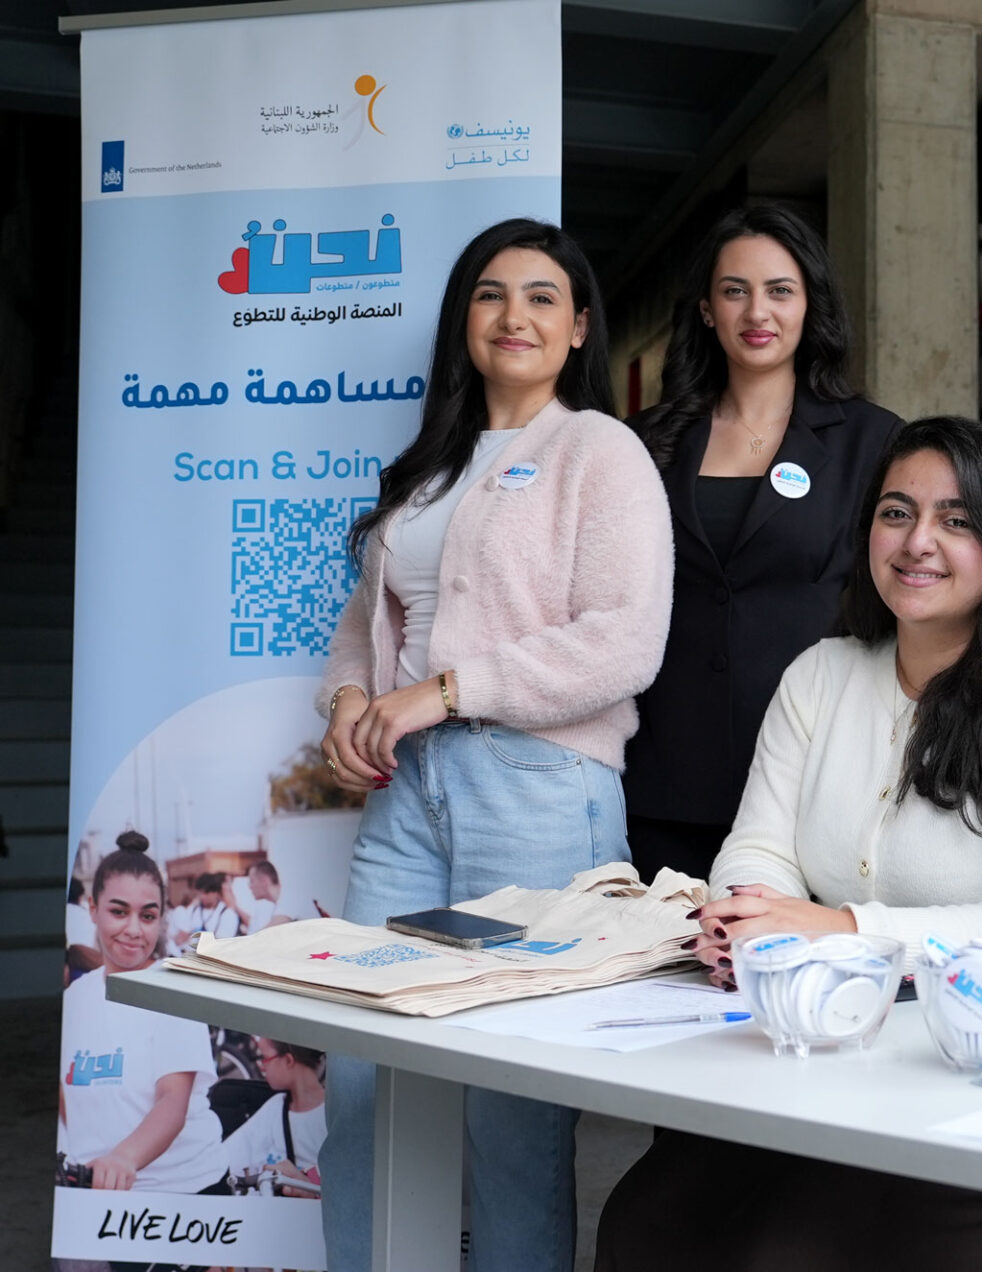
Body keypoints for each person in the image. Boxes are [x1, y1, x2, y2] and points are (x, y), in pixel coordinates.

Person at [595, 416, 982, 1272]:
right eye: (897, 512)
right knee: (647, 1219)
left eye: (958, 520)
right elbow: (758, 850)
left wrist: (843, 932)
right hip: (813, 1051)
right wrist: (747, 917)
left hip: (979, 1078)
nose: (920, 542)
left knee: (785, 1253)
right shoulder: (823, 672)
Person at [315, 217, 672, 1272]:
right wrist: (347, 703)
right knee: (364, 1089)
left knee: (511, 1117)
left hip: (539, 793)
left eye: (542, 297)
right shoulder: (424, 469)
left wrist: (447, 689)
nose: (513, 315)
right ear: (462, 323)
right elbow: (358, 627)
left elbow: (623, 642)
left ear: (576, 331)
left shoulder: (598, 450)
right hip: (406, 795)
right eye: (489, 294)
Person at [624, 204, 901, 881]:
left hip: (814, 780)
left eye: (780, 290)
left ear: (810, 305)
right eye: (734, 290)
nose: (758, 312)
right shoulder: (645, 441)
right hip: (665, 780)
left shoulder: (873, 440)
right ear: (705, 310)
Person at [59, 839, 228, 1196]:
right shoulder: (73, 1000)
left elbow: (172, 1100)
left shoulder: (174, 992)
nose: (134, 930)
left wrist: (123, 1158)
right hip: (97, 1196)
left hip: (185, 1196)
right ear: (93, 909)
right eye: (118, 912)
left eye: (147, 915)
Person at [223, 1038, 324, 1199]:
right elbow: (227, 1158)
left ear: (289, 1060)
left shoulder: (333, 1115)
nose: (261, 1065)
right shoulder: (275, 1107)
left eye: (264, 1057)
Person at [168, 872, 238, 955]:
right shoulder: (192, 910)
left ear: (215, 892)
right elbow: (181, 936)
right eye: (200, 892)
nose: (202, 896)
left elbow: (221, 944)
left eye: (206, 893)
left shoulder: (227, 914)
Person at [235, 860, 288, 934]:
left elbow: (259, 936)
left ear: (264, 881)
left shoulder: (284, 904)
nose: (250, 886)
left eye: (252, 881)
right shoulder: (269, 905)